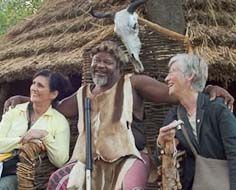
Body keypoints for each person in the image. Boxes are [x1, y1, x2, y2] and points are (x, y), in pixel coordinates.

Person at [4, 41, 234, 190]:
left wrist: (209, 90)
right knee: (57, 183)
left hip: (130, 157)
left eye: (107, 62)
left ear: (119, 67)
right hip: (88, 162)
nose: (100, 66)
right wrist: (25, 100)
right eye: (96, 62)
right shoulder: (83, 93)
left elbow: (173, 93)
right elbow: (56, 107)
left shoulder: (133, 83)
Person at [157, 54, 236, 190]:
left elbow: (234, 153)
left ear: (190, 75)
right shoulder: (174, 115)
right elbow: (159, 160)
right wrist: (161, 143)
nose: (166, 78)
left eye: (172, 71)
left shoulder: (217, 109)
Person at [0, 69, 71, 190]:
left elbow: (61, 160)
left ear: (53, 94)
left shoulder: (59, 121)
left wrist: (44, 135)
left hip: (22, 174)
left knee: (5, 186)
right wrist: (23, 141)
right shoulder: (15, 111)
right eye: (33, 83)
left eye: (40, 85)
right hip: (2, 165)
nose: (33, 88)